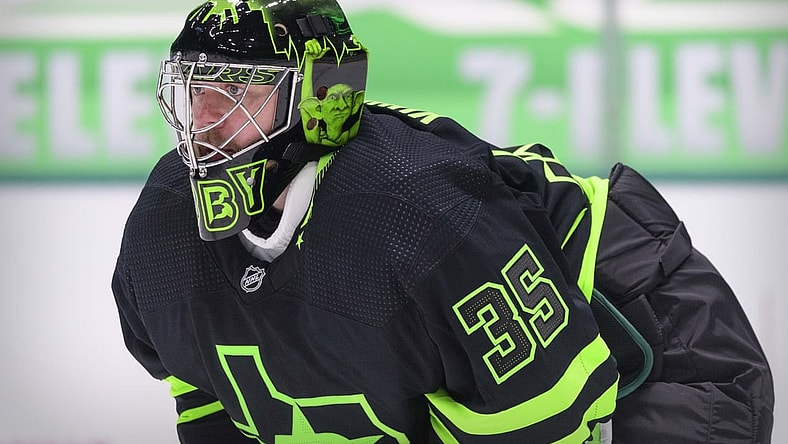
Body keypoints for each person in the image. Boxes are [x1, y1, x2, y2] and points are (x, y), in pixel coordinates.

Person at [112, 0, 773, 442]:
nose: (204, 121)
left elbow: (544, 418)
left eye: (236, 91)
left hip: (658, 348)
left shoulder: (419, 214)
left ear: (318, 95)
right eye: (195, 90)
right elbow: (205, 391)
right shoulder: (165, 221)